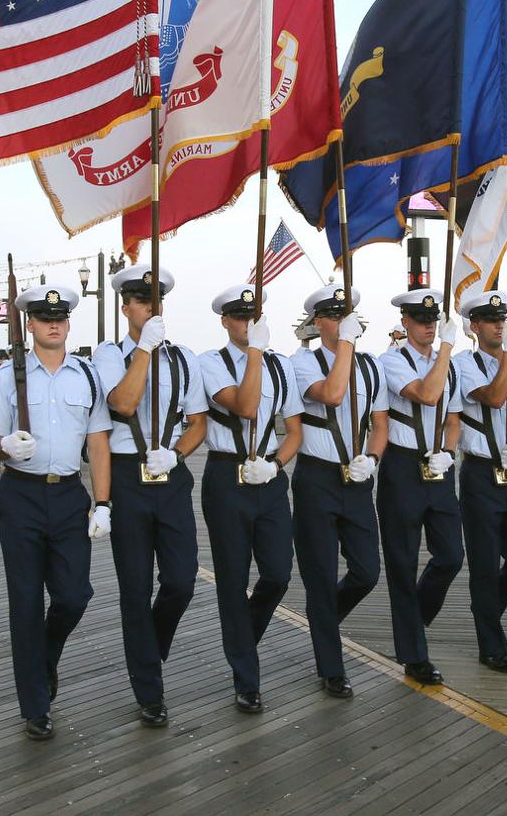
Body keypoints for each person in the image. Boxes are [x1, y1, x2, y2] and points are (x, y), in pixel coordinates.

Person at [0, 284, 112, 740]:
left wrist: (102, 502)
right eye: (43, 317)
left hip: (68, 497)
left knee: (75, 596)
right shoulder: (7, 377)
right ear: (30, 325)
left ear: (68, 324)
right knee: (24, 601)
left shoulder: (87, 375)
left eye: (60, 317)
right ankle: (35, 704)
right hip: (20, 496)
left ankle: (45, 656)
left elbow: (98, 442)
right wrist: (6, 448)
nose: (54, 323)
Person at [92, 265, 207, 728]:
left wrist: (178, 455)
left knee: (181, 579)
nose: (152, 307)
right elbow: (123, 402)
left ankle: (148, 649)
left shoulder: (184, 358)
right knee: (135, 588)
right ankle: (149, 690)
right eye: (142, 300)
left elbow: (198, 421)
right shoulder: (108, 354)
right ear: (126, 308)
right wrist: (142, 349)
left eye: (157, 299)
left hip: (171, 477)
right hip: (126, 477)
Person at [199, 283, 303, 714]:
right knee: (232, 579)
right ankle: (247, 677)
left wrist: (277, 465)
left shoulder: (281, 366)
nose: (248, 324)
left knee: (278, 574)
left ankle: (242, 638)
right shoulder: (211, 363)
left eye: (254, 316)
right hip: (227, 476)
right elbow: (244, 405)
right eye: (240, 317)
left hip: (269, 477)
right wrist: (255, 354)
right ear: (225, 321)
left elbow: (293, 429)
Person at [291, 284, 388, 700]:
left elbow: (380, 425)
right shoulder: (302, 362)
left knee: (367, 571)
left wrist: (374, 458)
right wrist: (345, 343)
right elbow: (331, 394)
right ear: (318, 322)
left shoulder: (370, 367)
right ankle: (332, 668)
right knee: (320, 574)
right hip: (316, 478)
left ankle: (324, 619)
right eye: (332, 315)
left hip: (356, 477)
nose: (339, 321)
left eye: (344, 314)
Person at [451, 289, 507, 673]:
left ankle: (485, 606)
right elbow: (494, 397)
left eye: (502, 319)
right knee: (485, 564)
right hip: (481, 474)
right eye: (491, 320)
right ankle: (492, 643)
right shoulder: (464, 363)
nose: (499, 325)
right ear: (474, 327)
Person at [376, 289, 463, 685]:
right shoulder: (392, 361)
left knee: (451, 556)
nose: (429, 325)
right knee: (402, 562)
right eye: (421, 319)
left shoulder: (451, 367)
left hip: (439, 465)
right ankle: (414, 655)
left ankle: (414, 619)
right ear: (405, 322)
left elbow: (453, 417)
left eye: (434, 319)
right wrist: (446, 346)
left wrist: (448, 450)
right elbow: (428, 395)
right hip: (403, 467)